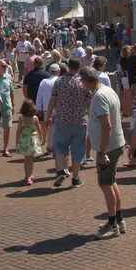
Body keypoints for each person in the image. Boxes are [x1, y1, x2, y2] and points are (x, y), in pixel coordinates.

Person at [80, 67, 126, 239]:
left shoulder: (99, 97)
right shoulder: (108, 90)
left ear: (86, 81)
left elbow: (106, 125)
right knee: (111, 182)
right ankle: (118, 220)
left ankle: (113, 224)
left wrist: (101, 151)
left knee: (105, 185)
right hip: (116, 143)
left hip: (108, 147)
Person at [49, 58, 89, 188]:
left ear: (67, 66)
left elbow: (52, 100)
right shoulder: (83, 83)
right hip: (79, 121)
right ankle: (75, 178)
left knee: (60, 145)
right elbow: (89, 102)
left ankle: (61, 169)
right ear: (79, 67)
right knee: (78, 149)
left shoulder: (59, 81)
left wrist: (47, 116)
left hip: (61, 120)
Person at [15, 99, 43, 185]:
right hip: (32, 140)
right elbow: (39, 129)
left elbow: (18, 131)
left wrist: (17, 141)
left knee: (26, 159)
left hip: (24, 140)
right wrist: (41, 138)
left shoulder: (21, 118)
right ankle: (29, 176)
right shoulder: (35, 118)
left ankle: (27, 175)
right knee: (30, 160)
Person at [36, 63, 60, 155]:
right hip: (59, 109)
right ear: (58, 71)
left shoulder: (44, 82)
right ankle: (57, 145)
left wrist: (38, 108)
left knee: (49, 128)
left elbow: (39, 96)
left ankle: (50, 146)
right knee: (58, 128)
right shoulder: (60, 80)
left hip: (47, 109)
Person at [0, 60, 15, 157]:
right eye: (3, 66)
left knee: (7, 128)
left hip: (7, 106)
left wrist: (13, 105)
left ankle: (5, 149)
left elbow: (11, 91)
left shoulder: (9, 77)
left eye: (6, 66)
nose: (5, 68)